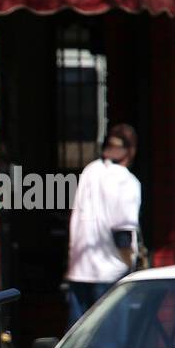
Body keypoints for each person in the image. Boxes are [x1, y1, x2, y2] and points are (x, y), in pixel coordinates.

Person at [64, 123, 142, 326]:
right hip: (110, 275)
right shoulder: (127, 181)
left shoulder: (90, 171)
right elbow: (122, 234)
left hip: (79, 271)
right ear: (131, 151)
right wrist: (131, 264)